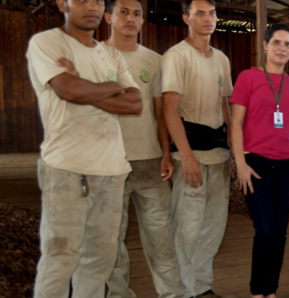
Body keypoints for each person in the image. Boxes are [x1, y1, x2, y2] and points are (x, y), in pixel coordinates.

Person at [26, 0, 142, 295]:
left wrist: (82, 84)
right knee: (60, 260)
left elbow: (135, 102)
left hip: (113, 172)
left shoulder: (110, 54)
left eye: (98, 0)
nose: (91, 5)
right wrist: (106, 86)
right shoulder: (47, 42)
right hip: (67, 169)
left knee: (99, 262)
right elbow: (68, 90)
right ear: (62, 3)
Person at [96, 0, 183, 297]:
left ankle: (172, 293)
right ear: (108, 16)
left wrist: (166, 152)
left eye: (137, 14)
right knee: (111, 240)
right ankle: (120, 294)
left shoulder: (154, 61)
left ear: (143, 21)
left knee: (162, 237)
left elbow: (160, 113)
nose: (130, 18)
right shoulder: (94, 56)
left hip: (149, 163)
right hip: (107, 164)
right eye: (124, 12)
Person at [162, 0, 234, 296]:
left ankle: (202, 286)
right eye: (200, 13)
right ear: (186, 19)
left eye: (212, 13)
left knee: (213, 227)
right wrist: (186, 157)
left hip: (219, 153)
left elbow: (224, 104)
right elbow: (169, 109)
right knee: (187, 227)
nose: (208, 18)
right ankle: (183, 290)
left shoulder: (221, 59)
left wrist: (232, 149)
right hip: (190, 152)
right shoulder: (176, 56)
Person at [229, 23, 289, 298]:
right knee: (265, 229)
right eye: (277, 43)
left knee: (280, 231)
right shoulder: (248, 77)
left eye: (288, 44)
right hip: (255, 163)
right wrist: (240, 164)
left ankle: (270, 290)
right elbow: (236, 124)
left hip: (288, 164)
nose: (282, 48)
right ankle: (258, 291)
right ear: (265, 46)